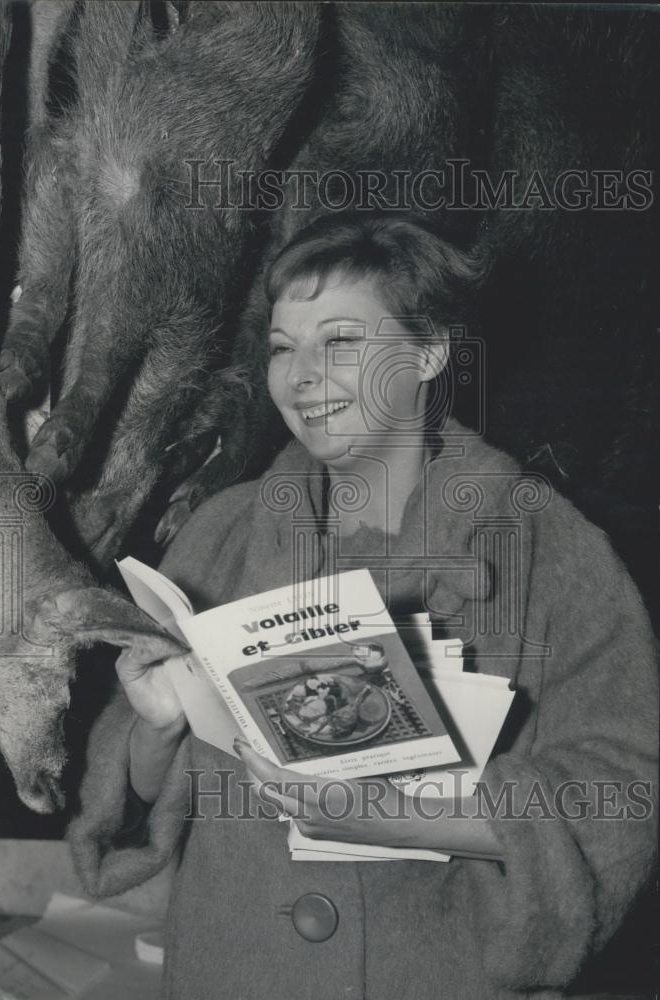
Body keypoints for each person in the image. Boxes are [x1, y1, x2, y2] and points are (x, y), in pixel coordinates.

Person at [68, 213, 657, 1000]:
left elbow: (620, 792)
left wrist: (403, 814)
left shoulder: (553, 548)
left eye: (341, 341)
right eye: (283, 348)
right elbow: (142, 800)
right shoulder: (219, 531)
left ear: (429, 350)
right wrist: (158, 723)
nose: (302, 376)